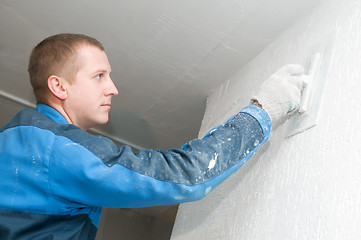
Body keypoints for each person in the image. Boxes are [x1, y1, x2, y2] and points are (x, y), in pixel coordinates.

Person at [0, 33, 304, 239]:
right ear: (59, 87)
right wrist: (262, 112)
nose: (113, 88)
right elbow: (185, 176)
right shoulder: (53, 148)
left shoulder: (21, 141)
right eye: (99, 76)